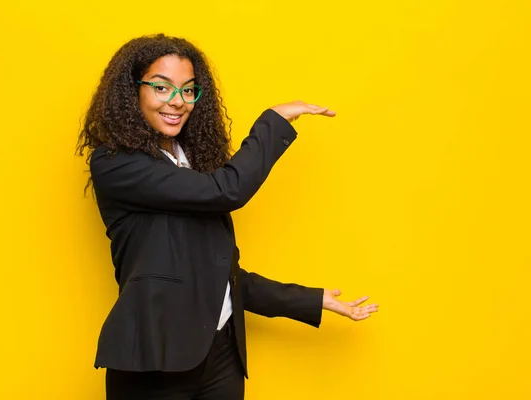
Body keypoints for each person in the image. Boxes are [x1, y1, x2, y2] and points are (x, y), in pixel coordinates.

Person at [76, 33, 379, 400]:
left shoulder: (189, 165)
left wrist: (312, 300)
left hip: (220, 357)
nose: (177, 102)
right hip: (155, 358)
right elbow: (228, 190)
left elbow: (221, 279)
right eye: (162, 87)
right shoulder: (117, 163)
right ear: (132, 91)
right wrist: (274, 122)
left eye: (189, 91)